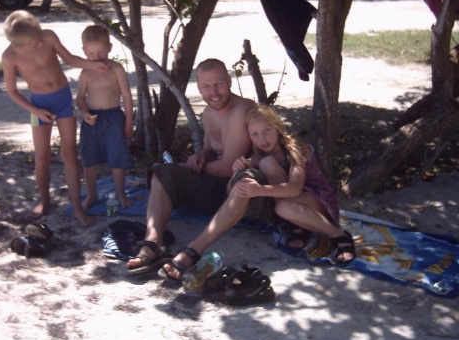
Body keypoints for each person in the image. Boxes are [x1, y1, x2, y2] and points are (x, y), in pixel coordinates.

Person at [125, 58, 271, 276]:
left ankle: (194, 249)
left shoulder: (243, 109)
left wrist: (188, 167)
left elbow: (227, 168)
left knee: (244, 179)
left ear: (229, 81)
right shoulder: (209, 113)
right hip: (215, 189)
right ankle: (153, 244)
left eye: (219, 84)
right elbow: (210, 150)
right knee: (161, 171)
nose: (214, 92)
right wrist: (199, 157)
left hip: (242, 194)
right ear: (199, 88)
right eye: (206, 86)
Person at [1, 10, 107, 226]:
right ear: (19, 44)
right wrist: (35, 110)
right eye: (34, 44)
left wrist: (93, 65)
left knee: (69, 152)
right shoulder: (9, 56)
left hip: (62, 99)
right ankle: (44, 199)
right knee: (41, 157)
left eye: (40, 39)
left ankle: (77, 207)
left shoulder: (48, 36)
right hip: (38, 105)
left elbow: (69, 59)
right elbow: (12, 91)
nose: (40, 44)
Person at [229, 104, 355, 265]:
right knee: (267, 164)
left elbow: (295, 188)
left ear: (277, 127)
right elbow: (234, 185)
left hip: (317, 199)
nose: (262, 139)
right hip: (289, 202)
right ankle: (297, 225)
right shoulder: (257, 156)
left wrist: (260, 190)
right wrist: (238, 169)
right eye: (255, 134)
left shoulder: (294, 148)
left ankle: (338, 234)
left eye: (267, 130)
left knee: (282, 207)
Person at [76, 25, 134, 209]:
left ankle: (121, 193)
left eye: (101, 52)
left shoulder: (116, 69)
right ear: (84, 51)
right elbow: (79, 98)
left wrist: (129, 122)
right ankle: (92, 194)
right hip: (92, 120)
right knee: (89, 159)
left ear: (110, 47)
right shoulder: (85, 72)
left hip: (114, 118)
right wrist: (85, 113)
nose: (97, 57)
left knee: (117, 158)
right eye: (91, 54)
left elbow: (127, 96)